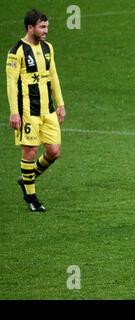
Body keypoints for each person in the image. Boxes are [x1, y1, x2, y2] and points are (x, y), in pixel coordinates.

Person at [6, 9, 66, 212]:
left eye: (47, 26)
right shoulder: (17, 52)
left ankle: (26, 178)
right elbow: (11, 84)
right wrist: (14, 112)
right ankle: (31, 198)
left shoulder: (48, 48)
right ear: (30, 27)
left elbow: (54, 76)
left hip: (47, 110)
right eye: (42, 27)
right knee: (30, 152)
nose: (46, 30)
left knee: (54, 151)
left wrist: (60, 104)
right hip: (27, 112)